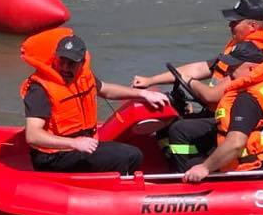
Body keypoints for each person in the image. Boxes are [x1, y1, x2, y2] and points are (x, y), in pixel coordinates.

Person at [133, 0, 263, 169]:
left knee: (178, 129)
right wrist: (150, 80)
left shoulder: (254, 57)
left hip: (239, 118)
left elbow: (211, 96)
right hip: (228, 112)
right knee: (171, 119)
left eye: (235, 22)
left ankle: (185, 174)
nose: (230, 25)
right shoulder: (244, 47)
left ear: (252, 25)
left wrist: (189, 82)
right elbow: (201, 68)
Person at [20, 27, 170, 174]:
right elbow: (33, 136)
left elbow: (106, 89)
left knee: (133, 150)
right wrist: (74, 143)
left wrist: (143, 94)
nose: (65, 67)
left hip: (80, 145)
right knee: (130, 156)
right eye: (61, 61)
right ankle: (117, 187)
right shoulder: (40, 89)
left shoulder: (82, 77)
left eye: (71, 63)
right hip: (53, 156)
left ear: (82, 62)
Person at [177, 41, 263, 183]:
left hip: (255, 168)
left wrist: (205, 168)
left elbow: (236, 144)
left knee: (191, 164)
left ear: (252, 68)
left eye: (233, 67)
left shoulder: (247, 99)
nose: (228, 71)